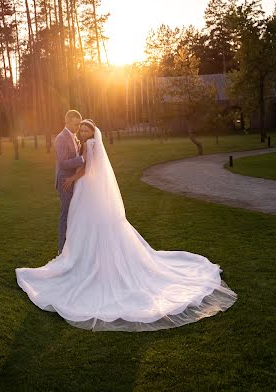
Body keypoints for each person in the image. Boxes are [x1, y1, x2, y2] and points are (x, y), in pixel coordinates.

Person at [15, 120, 237, 332]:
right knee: (89, 224)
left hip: (85, 187)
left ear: (92, 133)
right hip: (91, 189)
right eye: (81, 131)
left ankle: (83, 257)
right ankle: (85, 254)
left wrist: (72, 179)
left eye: (85, 130)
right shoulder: (93, 144)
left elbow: (85, 169)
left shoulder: (90, 145)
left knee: (84, 224)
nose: (83, 134)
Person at [53, 110, 84, 254]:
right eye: (76, 124)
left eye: (79, 124)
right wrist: (82, 160)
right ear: (67, 122)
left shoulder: (74, 136)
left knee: (74, 214)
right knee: (65, 215)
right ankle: (61, 250)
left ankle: (72, 247)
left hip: (74, 180)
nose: (78, 127)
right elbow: (63, 163)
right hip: (65, 181)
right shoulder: (61, 138)